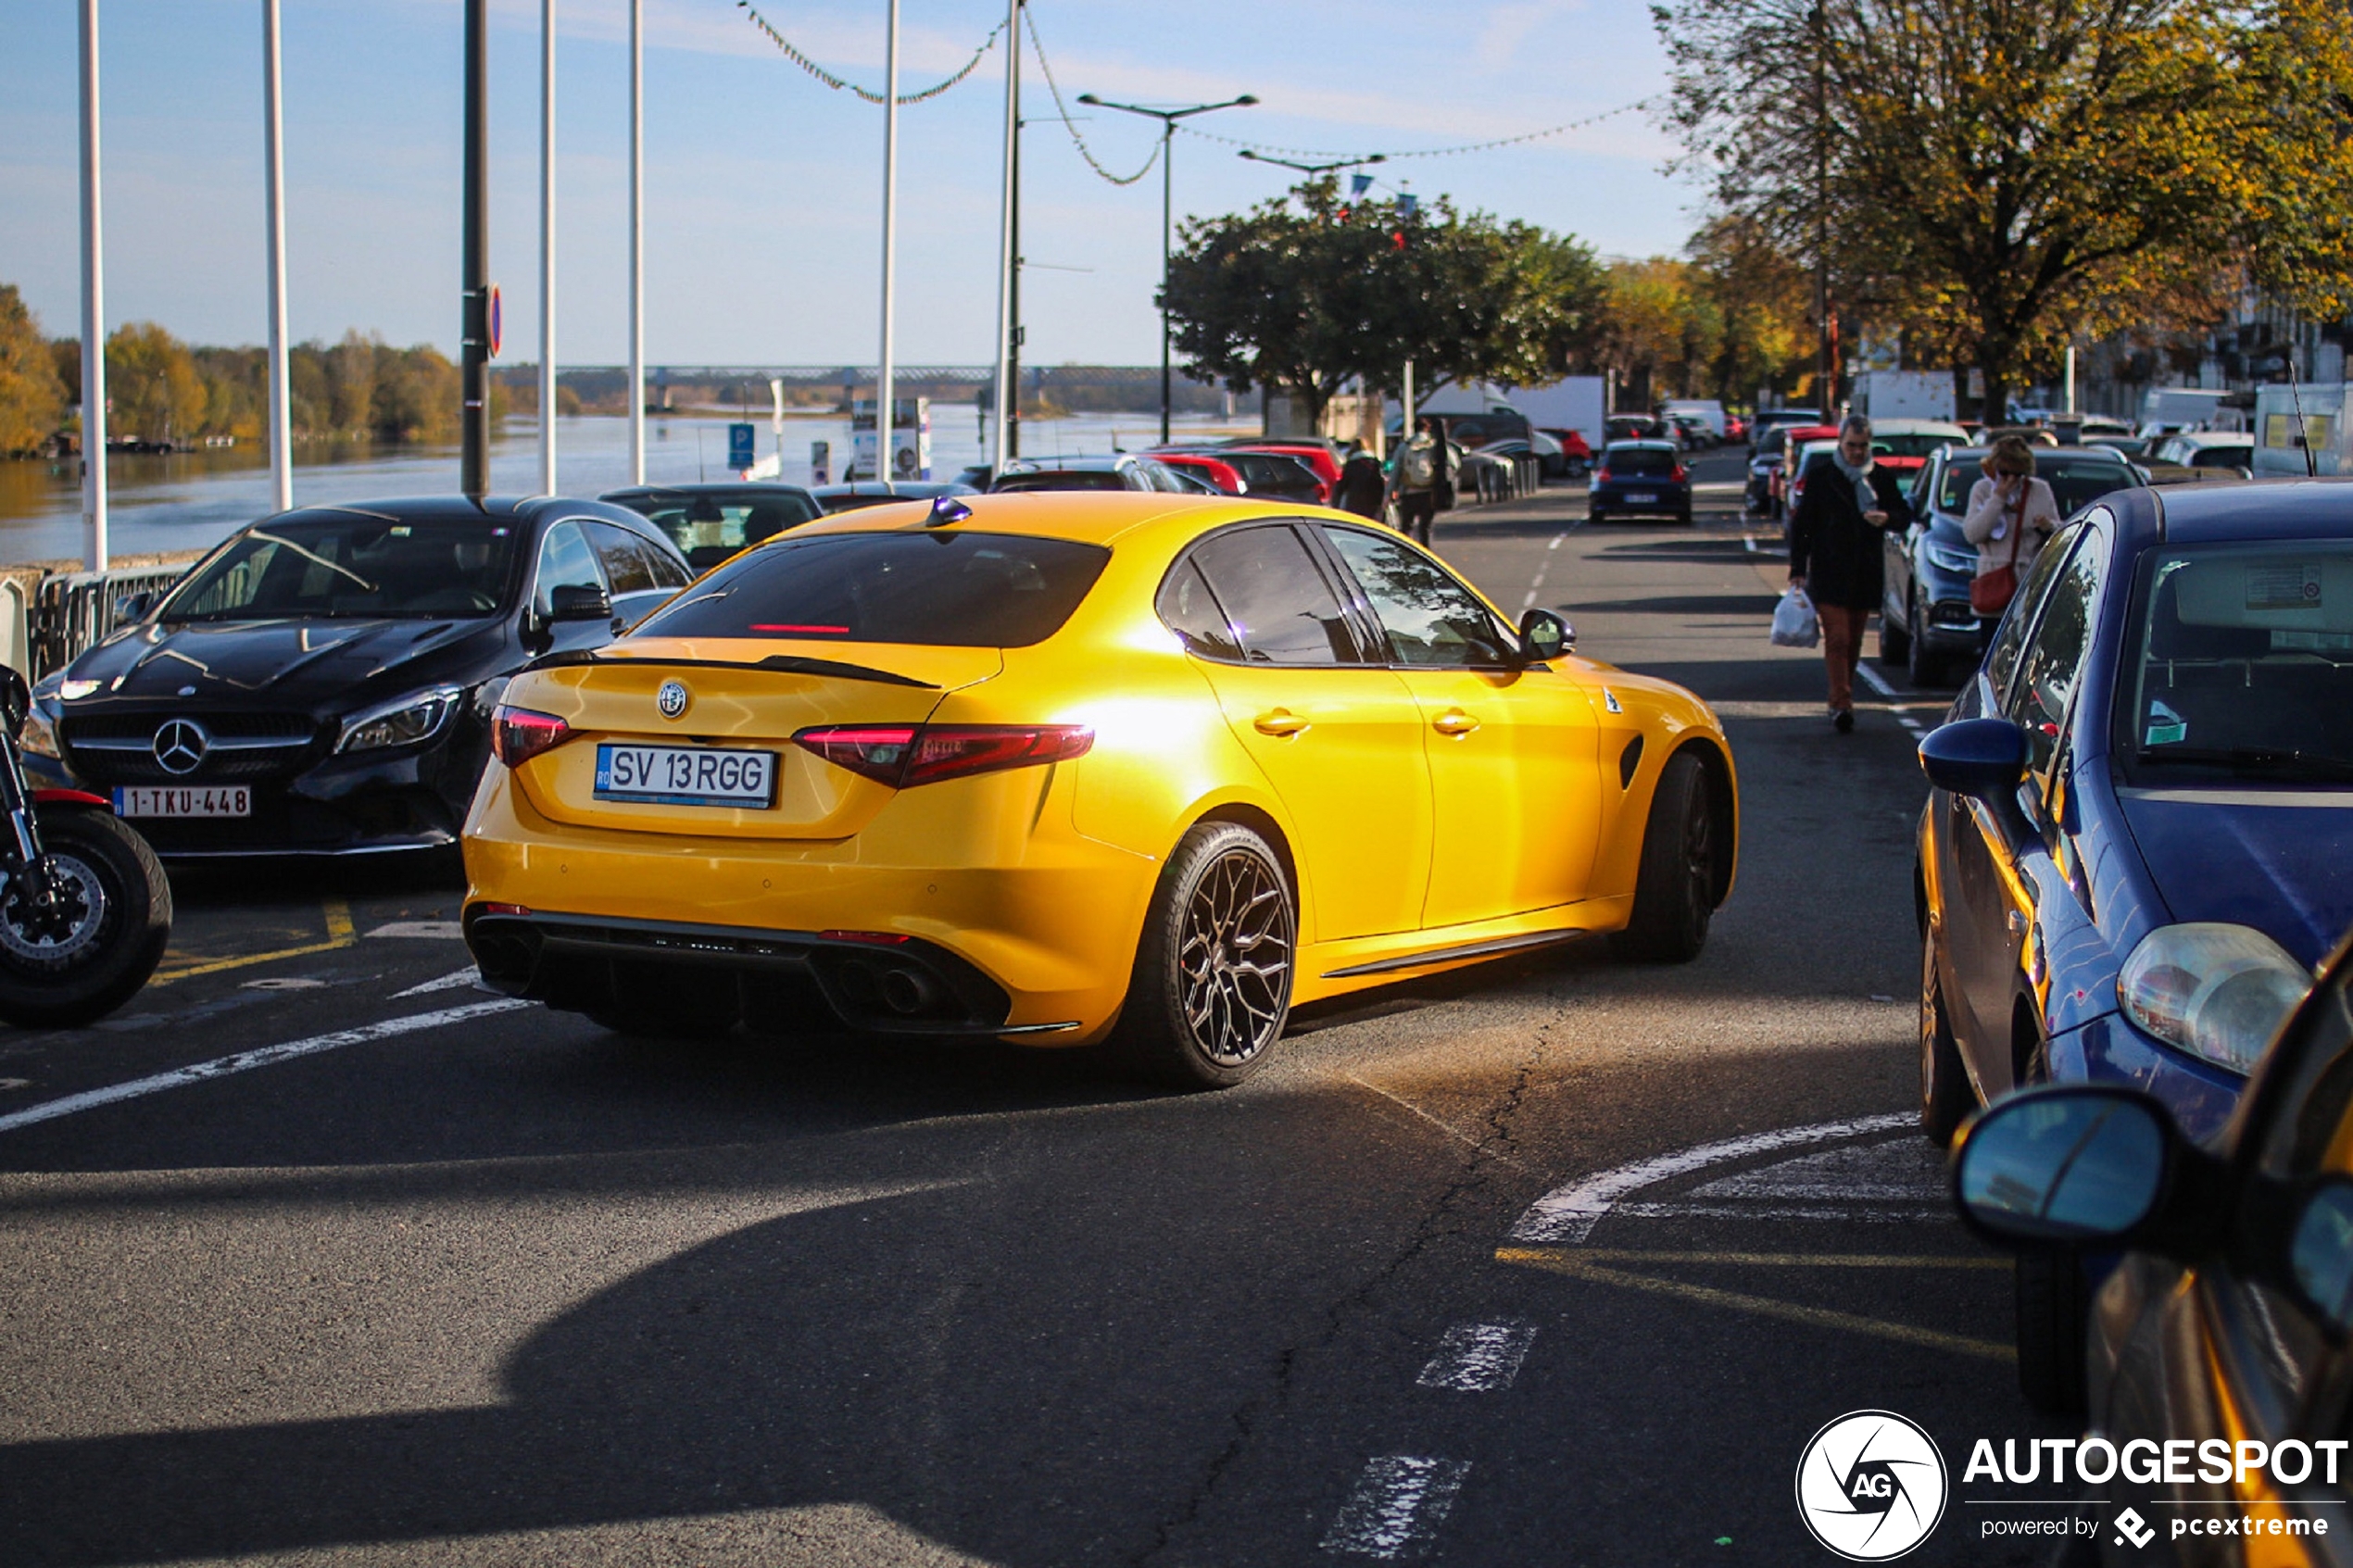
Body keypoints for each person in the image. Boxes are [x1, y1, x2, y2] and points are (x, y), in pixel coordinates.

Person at [1788, 413, 1912, 732]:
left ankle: (1845, 694)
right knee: (1838, 638)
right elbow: (1803, 527)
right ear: (1840, 444)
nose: (1857, 452)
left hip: (1866, 571)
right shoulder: (1822, 477)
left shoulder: (1880, 478)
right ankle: (1840, 703)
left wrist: (1885, 518)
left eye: (1863, 446)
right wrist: (1798, 569)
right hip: (1830, 571)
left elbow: (1904, 515)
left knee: (1854, 640)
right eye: (1851, 445)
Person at [1960, 434, 2060, 610]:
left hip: (2028, 583)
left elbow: (2059, 534)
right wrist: (1998, 497)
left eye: (2017, 474)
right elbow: (1973, 534)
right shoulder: (1982, 489)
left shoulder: (2039, 490)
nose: (2011, 480)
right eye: (2004, 473)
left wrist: (2048, 526)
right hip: (1994, 583)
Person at [1390, 415, 1452, 546]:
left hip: (1408, 493)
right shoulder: (1435, 445)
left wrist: (1389, 491)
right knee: (1426, 528)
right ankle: (1426, 555)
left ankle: (1406, 554)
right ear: (1428, 428)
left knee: (1406, 527)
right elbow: (1454, 463)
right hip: (1429, 493)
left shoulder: (1404, 446)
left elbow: (1395, 471)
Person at [1337, 443, 1387, 521]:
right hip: (1373, 500)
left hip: (1355, 500)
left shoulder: (1352, 464)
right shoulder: (1376, 463)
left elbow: (1343, 485)